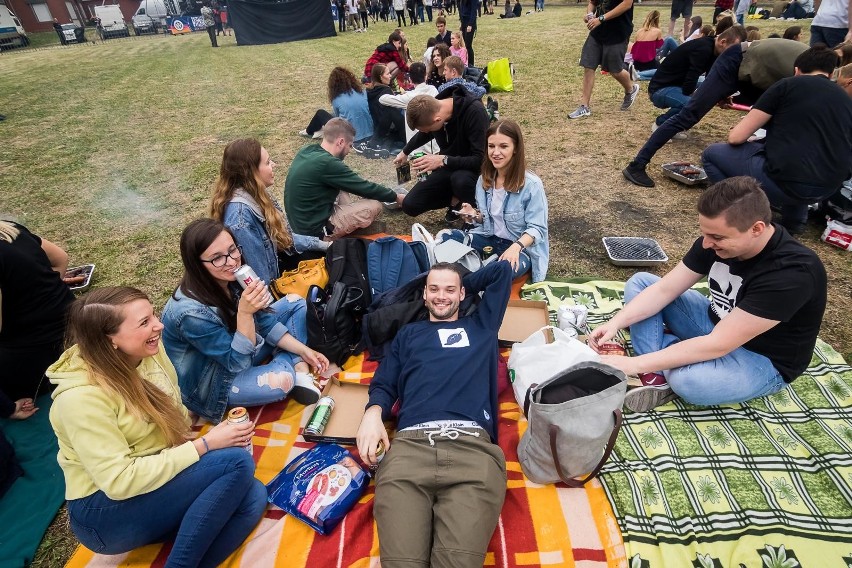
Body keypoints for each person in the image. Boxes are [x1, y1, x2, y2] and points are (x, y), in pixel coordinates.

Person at [48, 286, 268, 564]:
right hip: (106, 515)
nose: (159, 325)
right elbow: (119, 481)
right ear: (109, 340)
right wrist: (205, 445)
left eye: (153, 315)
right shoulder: (80, 399)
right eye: (144, 322)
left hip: (153, 482)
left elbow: (174, 408)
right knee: (236, 463)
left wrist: (191, 452)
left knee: (253, 495)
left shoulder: (147, 351)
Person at [589, 177, 827, 413]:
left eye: (717, 237)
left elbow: (719, 344)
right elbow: (664, 289)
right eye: (705, 233)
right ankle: (661, 370)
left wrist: (633, 363)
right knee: (641, 283)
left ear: (756, 229)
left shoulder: (791, 273)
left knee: (690, 384)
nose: (706, 244)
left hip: (761, 357)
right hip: (716, 323)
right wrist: (615, 323)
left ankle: (662, 359)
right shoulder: (715, 241)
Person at [356, 259, 512, 568]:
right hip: (410, 451)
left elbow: (502, 272)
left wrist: (460, 284)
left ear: (463, 293)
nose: (441, 296)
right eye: (434, 289)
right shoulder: (408, 335)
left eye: (450, 290)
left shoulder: (482, 325)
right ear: (424, 295)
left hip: (473, 453)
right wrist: (373, 415)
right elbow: (385, 383)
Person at [162, 220, 328, 422]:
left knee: (296, 303)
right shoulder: (190, 313)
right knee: (281, 381)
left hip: (244, 346)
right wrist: (245, 314)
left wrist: (304, 350)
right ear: (197, 264)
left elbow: (265, 322)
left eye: (233, 250)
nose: (232, 261)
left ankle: (299, 366)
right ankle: (291, 367)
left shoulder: (234, 277)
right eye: (217, 258)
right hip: (215, 382)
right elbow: (237, 364)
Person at [701, 46, 852, 233]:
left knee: (711, 154)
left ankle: (742, 210)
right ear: (830, 74)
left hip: (787, 183)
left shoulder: (786, 86)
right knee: (802, 161)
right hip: (827, 189)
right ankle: (795, 221)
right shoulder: (845, 99)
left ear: (796, 70)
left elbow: (736, 137)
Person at [622, 37, 808, 187]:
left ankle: (768, 176)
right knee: (689, 115)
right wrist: (719, 89)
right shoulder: (810, 70)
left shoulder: (818, 66)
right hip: (736, 61)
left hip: (754, 74)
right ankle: (637, 165)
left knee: (773, 119)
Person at [209, 138, 328, 281]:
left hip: (278, 265)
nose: (274, 165)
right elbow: (261, 280)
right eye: (267, 162)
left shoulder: (257, 194)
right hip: (269, 287)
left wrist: (325, 245)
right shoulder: (241, 218)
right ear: (251, 172)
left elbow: (285, 239)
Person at [450, 119, 549, 282]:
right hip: (489, 239)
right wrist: (474, 215)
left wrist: (516, 247)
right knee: (448, 238)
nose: (496, 152)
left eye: (503, 146)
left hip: (520, 249)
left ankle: (472, 272)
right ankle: (477, 270)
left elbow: (537, 228)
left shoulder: (532, 185)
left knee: (501, 269)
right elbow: (488, 220)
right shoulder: (483, 180)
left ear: (515, 148)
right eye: (491, 146)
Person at [0, 220, 74, 420]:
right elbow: (61, 258)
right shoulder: (9, 228)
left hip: (39, 357)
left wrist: (7, 409)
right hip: (76, 329)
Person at [285, 118, 403, 238]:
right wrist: (396, 197)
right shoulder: (328, 163)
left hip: (302, 222)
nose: (350, 151)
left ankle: (346, 217)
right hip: (316, 232)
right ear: (341, 142)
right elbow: (364, 187)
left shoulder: (307, 151)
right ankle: (338, 231)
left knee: (342, 186)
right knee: (375, 205)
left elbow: (354, 184)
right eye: (350, 145)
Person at [393, 90, 488, 217]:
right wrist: (405, 151)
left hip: (470, 171)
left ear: (437, 120)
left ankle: (476, 212)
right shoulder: (435, 108)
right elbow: (424, 133)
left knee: (460, 180)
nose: (427, 133)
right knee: (410, 205)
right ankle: (455, 201)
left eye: (428, 130)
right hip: (447, 167)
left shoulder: (475, 112)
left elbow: (480, 160)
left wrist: (443, 160)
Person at [647, 26, 746, 134]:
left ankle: (673, 126)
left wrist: (722, 96)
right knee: (690, 104)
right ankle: (660, 124)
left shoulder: (714, 49)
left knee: (696, 98)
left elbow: (712, 79)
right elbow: (690, 82)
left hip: (676, 84)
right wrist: (700, 97)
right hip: (659, 89)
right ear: (723, 42)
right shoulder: (703, 49)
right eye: (733, 49)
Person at [568, 0, 640, 119]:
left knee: (614, 70)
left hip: (617, 34)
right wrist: (590, 14)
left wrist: (601, 18)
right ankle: (584, 106)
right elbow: (593, 2)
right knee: (588, 66)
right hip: (597, 33)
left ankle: (630, 89)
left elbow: (627, 4)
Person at [301, 67, 374, 144]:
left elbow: (337, 119)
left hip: (351, 137)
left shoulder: (337, 99)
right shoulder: (362, 92)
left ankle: (308, 131)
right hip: (370, 134)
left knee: (320, 113)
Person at [379, 62, 439, 152]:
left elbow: (382, 99)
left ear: (410, 79)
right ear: (426, 76)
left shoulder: (409, 98)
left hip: (416, 150)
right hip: (435, 146)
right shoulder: (433, 90)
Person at [367, 64, 408, 149]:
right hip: (387, 128)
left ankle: (385, 145)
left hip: (376, 128)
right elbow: (395, 115)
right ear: (380, 77)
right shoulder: (386, 91)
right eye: (388, 74)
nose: (390, 76)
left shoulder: (369, 91)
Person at [459, 0, 478, 65]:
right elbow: (462, 9)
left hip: (470, 23)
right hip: (464, 22)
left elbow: (474, 11)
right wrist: (462, 24)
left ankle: (471, 64)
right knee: (466, 46)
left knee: (468, 45)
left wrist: (470, 24)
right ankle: (466, 63)